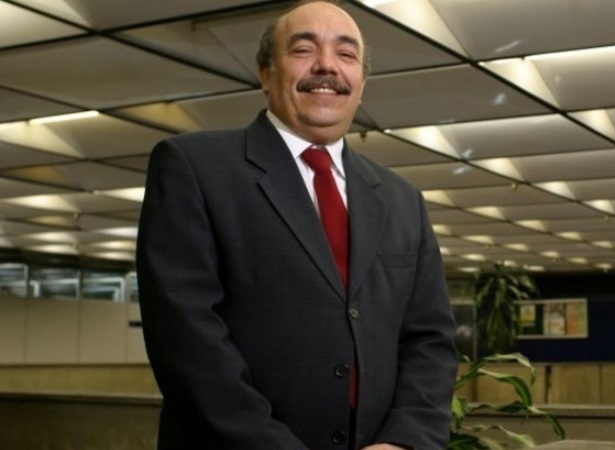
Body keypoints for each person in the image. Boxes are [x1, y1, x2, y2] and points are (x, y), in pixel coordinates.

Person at [136, 1, 458, 449]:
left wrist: (405, 441)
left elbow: (431, 339)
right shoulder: (193, 167)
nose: (327, 65)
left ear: (361, 83)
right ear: (266, 73)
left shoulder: (404, 201)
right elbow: (187, 342)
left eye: (346, 54)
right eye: (304, 50)